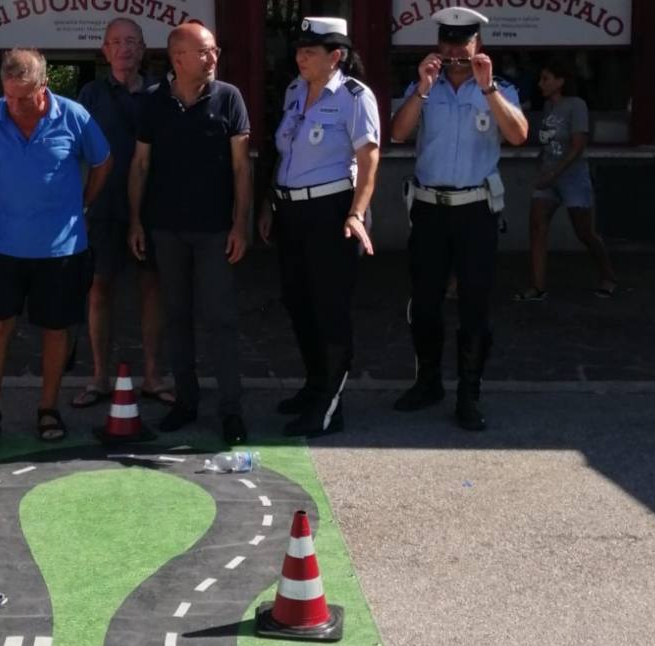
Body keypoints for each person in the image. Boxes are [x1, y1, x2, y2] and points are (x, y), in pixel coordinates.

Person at [0, 48, 112, 450]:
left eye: (24, 96)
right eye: (9, 96)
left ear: (44, 86)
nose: (15, 105)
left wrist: (83, 204)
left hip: (62, 250)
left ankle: (48, 408)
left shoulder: (74, 116)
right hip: (6, 247)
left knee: (56, 331)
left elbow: (103, 162)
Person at [388, 8, 528, 431]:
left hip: (476, 211)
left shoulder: (499, 89)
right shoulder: (422, 87)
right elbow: (397, 133)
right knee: (425, 302)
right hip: (430, 208)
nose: (454, 53)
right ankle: (428, 381)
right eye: (447, 44)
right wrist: (423, 90)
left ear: (477, 47)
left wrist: (488, 90)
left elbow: (519, 134)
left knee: (474, 305)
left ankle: (469, 392)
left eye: (462, 45)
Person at [129, 21, 252, 445]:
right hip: (166, 230)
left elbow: (241, 167)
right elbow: (140, 165)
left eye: (214, 49)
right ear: (179, 58)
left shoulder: (229, 98)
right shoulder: (153, 103)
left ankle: (231, 410)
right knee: (176, 319)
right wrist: (135, 220)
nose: (214, 56)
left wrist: (241, 222)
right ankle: (186, 401)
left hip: (216, 230)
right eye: (206, 51)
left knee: (221, 320)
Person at [257, 17, 380, 438]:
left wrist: (356, 213)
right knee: (298, 303)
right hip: (291, 212)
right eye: (299, 50)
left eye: (311, 51)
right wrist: (269, 204)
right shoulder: (294, 91)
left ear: (336, 56)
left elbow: (369, 160)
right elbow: (284, 152)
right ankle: (315, 385)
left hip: (332, 213)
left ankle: (330, 405)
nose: (300, 57)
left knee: (330, 309)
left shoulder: (354, 97)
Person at [72, 17, 174, 410]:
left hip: (153, 206)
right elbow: (73, 151)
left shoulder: (162, 92)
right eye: (116, 42)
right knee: (99, 290)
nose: (124, 49)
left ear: (143, 48)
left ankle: (152, 375)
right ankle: (99, 376)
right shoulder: (91, 95)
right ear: (105, 50)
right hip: (103, 207)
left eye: (131, 41)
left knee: (153, 290)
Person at [515, 56, 619, 301]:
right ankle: (537, 286)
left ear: (560, 81)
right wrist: (541, 165)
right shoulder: (548, 108)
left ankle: (608, 275)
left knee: (584, 232)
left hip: (572, 176)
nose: (540, 83)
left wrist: (555, 173)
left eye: (546, 78)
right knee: (537, 227)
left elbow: (577, 146)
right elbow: (548, 141)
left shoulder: (576, 105)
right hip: (548, 176)